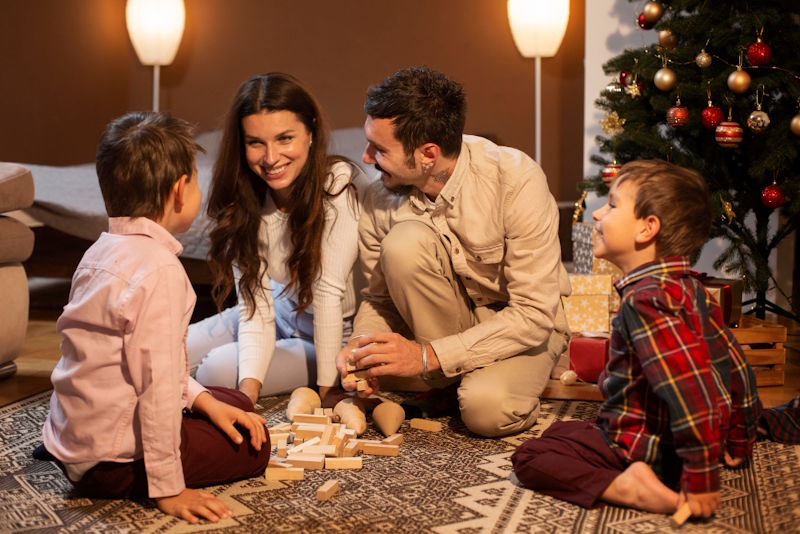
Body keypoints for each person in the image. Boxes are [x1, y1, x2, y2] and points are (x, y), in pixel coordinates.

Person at [38, 111, 270, 524]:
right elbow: (158, 386)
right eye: (195, 180)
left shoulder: (98, 252)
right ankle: (126, 474)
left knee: (230, 402)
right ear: (180, 191)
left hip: (72, 436)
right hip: (109, 462)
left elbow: (134, 362)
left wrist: (205, 403)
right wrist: (169, 488)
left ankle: (83, 455)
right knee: (257, 445)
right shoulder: (161, 272)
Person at [511, 160, 760, 519]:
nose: (598, 214)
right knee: (563, 430)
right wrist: (738, 437)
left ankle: (627, 487)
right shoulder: (691, 287)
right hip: (678, 442)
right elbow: (735, 366)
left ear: (647, 228)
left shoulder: (645, 301)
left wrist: (701, 475)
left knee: (530, 456)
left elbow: (690, 389)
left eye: (612, 205)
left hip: (651, 450)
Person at [335, 66, 571, 438]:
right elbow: (379, 300)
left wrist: (425, 357)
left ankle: (484, 379)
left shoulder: (515, 179)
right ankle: (450, 380)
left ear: (428, 154)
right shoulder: (380, 197)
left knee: (486, 411)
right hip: (444, 329)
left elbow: (533, 314)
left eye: (379, 149)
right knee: (403, 243)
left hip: (522, 327)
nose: (366, 157)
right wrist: (361, 350)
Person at [187, 73, 367, 404]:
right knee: (172, 349)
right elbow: (255, 308)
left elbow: (327, 293)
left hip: (326, 334)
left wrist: (328, 390)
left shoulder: (338, 184)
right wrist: (247, 395)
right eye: (256, 142)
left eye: (285, 139)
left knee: (213, 371)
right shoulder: (245, 198)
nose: (270, 158)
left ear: (310, 131)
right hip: (277, 311)